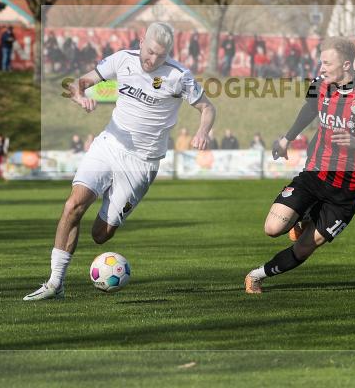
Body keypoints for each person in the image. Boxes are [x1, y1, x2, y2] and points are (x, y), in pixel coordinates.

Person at [24, 22, 216, 301]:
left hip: (142, 163)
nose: (153, 60)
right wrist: (80, 97)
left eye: (160, 56)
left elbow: (207, 107)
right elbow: (81, 83)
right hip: (109, 144)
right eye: (150, 52)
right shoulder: (121, 59)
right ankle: (55, 282)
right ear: (141, 41)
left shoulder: (178, 76)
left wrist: (202, 130)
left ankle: (107, 220)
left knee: (101, 235)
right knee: (73, 205)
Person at [243, 37, 355, 294]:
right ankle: (301, 216)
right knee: (272, 229)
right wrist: (286, 138)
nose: (322, 68)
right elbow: (309, 109)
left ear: (346, 64)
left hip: (346, 192)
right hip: (315, 174)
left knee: (304, 247)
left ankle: (256, 276)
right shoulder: (319, 85)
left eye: (327, 63)